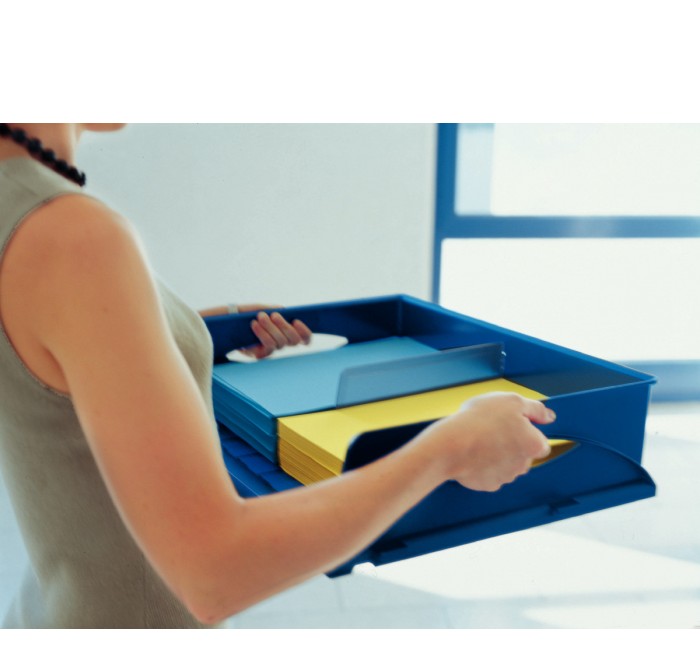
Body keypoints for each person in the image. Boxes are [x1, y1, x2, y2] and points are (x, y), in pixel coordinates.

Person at [0, 123, 556, 628]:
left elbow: (43, 363)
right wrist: (452, 446)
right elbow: (215, 572)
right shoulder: (74, 236)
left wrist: (190, 333)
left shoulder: (19, 204)